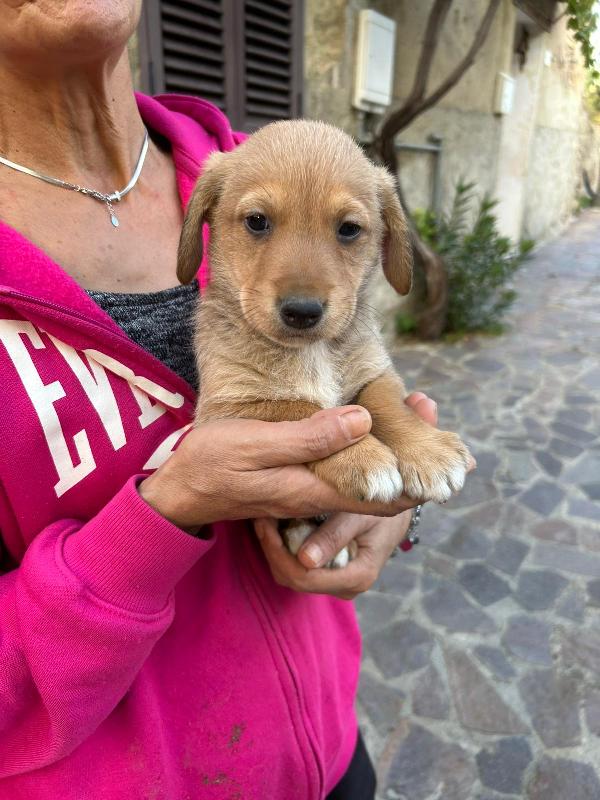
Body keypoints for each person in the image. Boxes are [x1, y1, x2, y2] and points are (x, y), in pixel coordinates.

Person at [0, 2, 442, 798]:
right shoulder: (237, 188)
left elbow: (366, 398)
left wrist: (393, 502)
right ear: (215, 223)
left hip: (329, 749)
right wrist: (161, 518)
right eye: (259, 225)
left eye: (348, 231)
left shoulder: (247, 163)